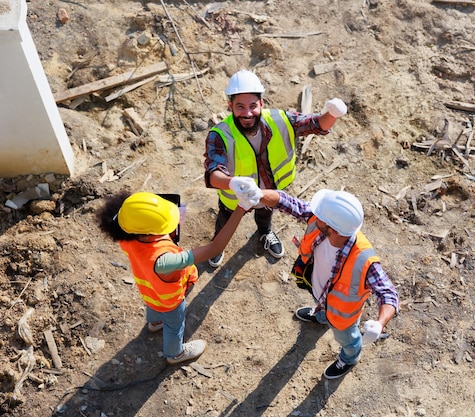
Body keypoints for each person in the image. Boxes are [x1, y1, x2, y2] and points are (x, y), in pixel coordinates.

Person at [203, 69, 348, 267]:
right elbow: (213, 173)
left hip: (269, 193)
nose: (247, 113)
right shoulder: (220, 135)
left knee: (265, 215)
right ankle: (217, 245)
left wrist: (332, 114)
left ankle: (264, 233)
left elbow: (315, 124)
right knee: (225, 223)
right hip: (235, 197)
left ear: (261, 104)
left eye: (253, 106)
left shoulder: (280, 120)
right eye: (240, 107)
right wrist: (232, 183)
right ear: (230, 106)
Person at [255, 188, 399, 379]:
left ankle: (350, 357)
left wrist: (380, 324)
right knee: (320, 304)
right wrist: (257, 193)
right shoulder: (321, 221)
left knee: (346, 339)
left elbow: (389, 294)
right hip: (321, 293)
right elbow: (288, 202)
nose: (313, 214)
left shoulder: (365, 260)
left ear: (332, 228)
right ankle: (322, 316)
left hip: (343, 319)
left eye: (319, 215)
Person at [96, 189, 249, 365]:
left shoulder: (126, 236)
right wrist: (241, 209)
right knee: (175, 326)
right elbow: (214, 248)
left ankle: (155, 323)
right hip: (170, 302)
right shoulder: (164, 261)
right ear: (148, 232)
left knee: (154, 307)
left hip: (149, 291)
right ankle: (175, 353)